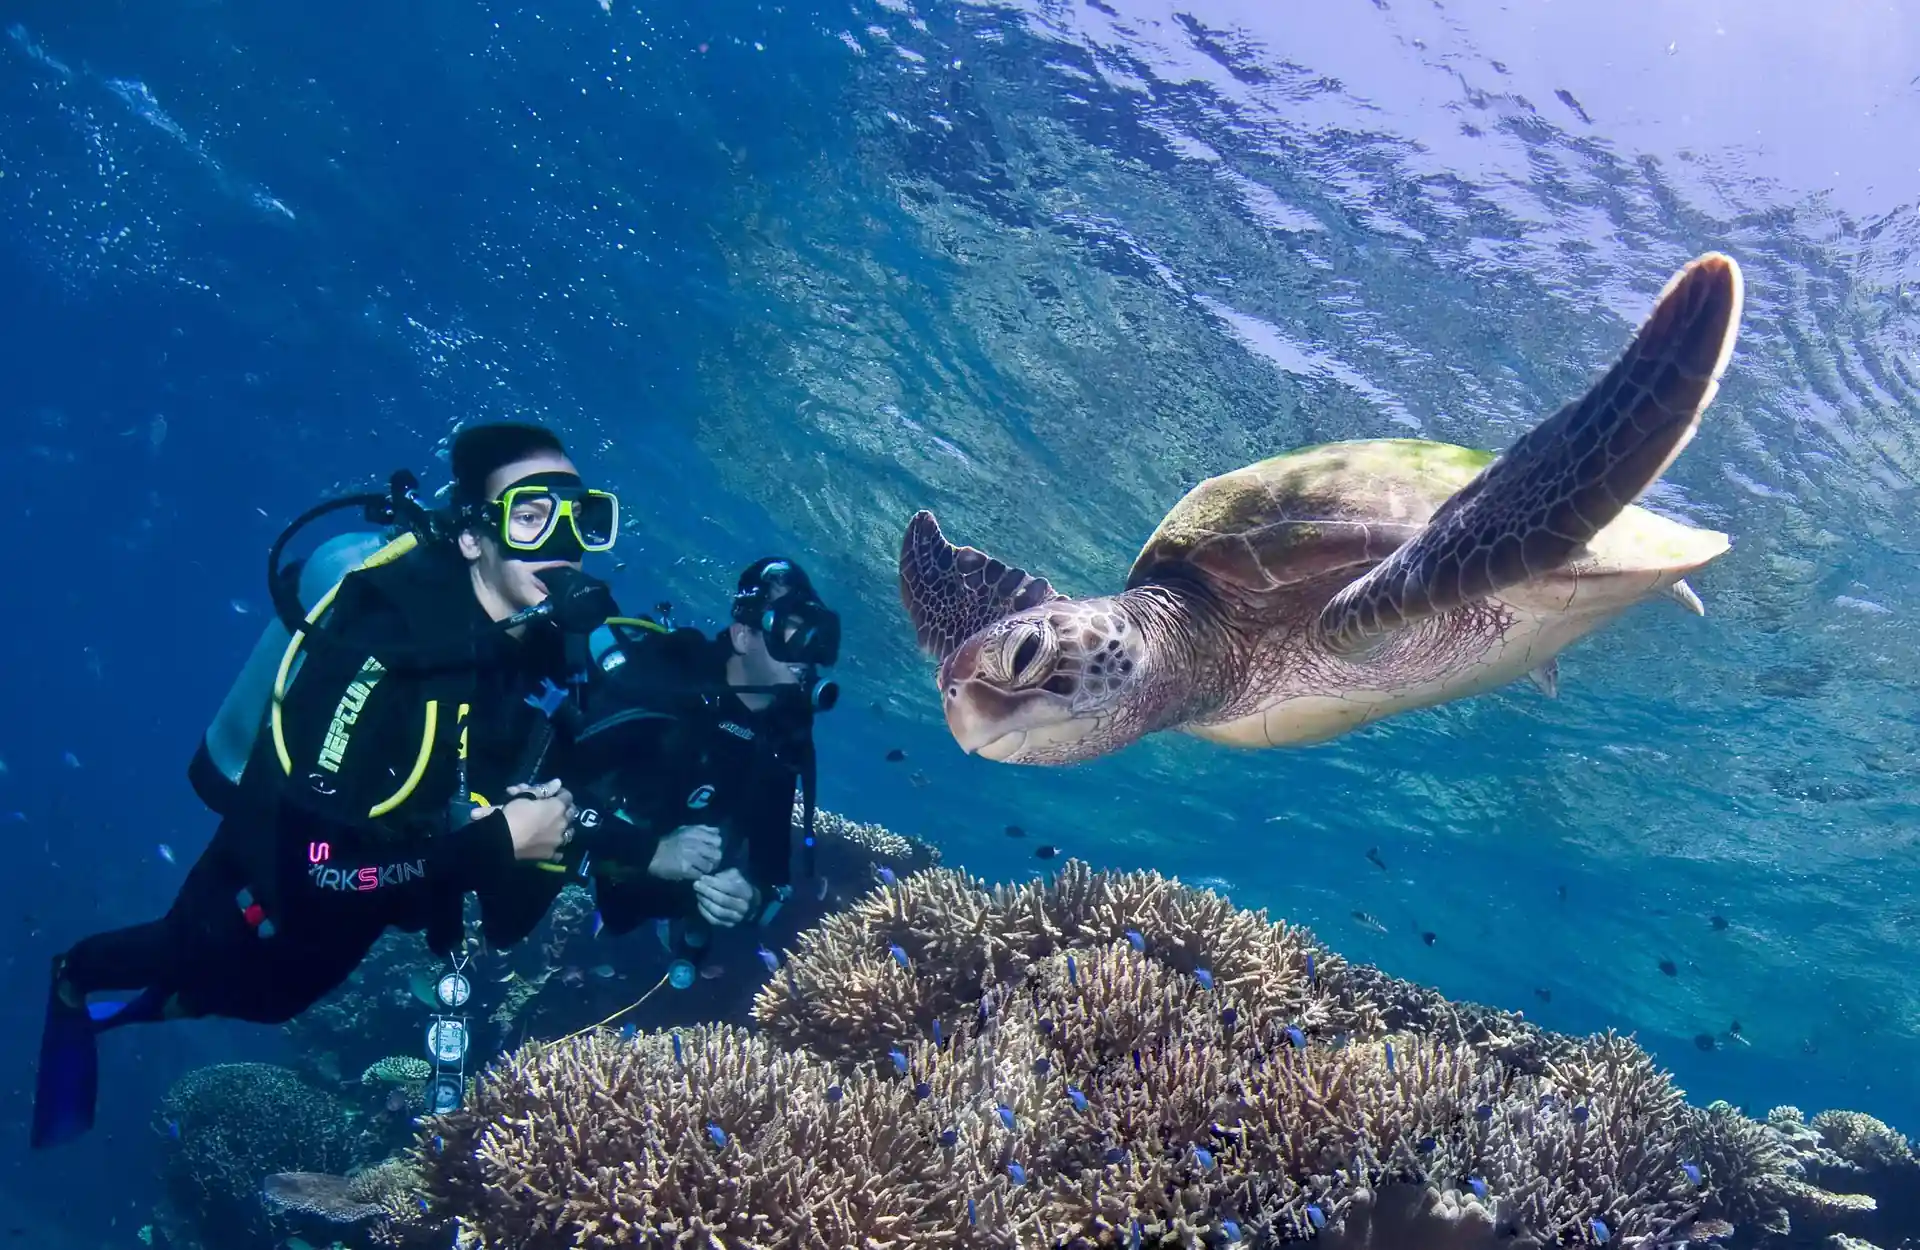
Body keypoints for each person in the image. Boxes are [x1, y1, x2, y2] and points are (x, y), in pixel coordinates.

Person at [31, 422, 632, 1149]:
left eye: (579, 517)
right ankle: (75, 980)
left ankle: (145, 1007)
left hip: (356, 921)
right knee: (197, 967)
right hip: (255, 901)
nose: (560, 540)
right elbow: (312, 869)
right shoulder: (385, 641)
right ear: (473, 535)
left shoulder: (530, 649)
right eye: (530, 515)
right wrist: (493, 843)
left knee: (273, 1003)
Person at [566, 557, 840, 950]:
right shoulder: (669, 685)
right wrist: (651, 851)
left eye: (816, 636)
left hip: (648, 892)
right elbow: (552, 786)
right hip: (577, 849)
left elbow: (771, 867)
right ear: (743, 635)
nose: (807, 653)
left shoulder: (784, 735)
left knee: (624, 918)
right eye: (791, 630)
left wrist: (749, 899)